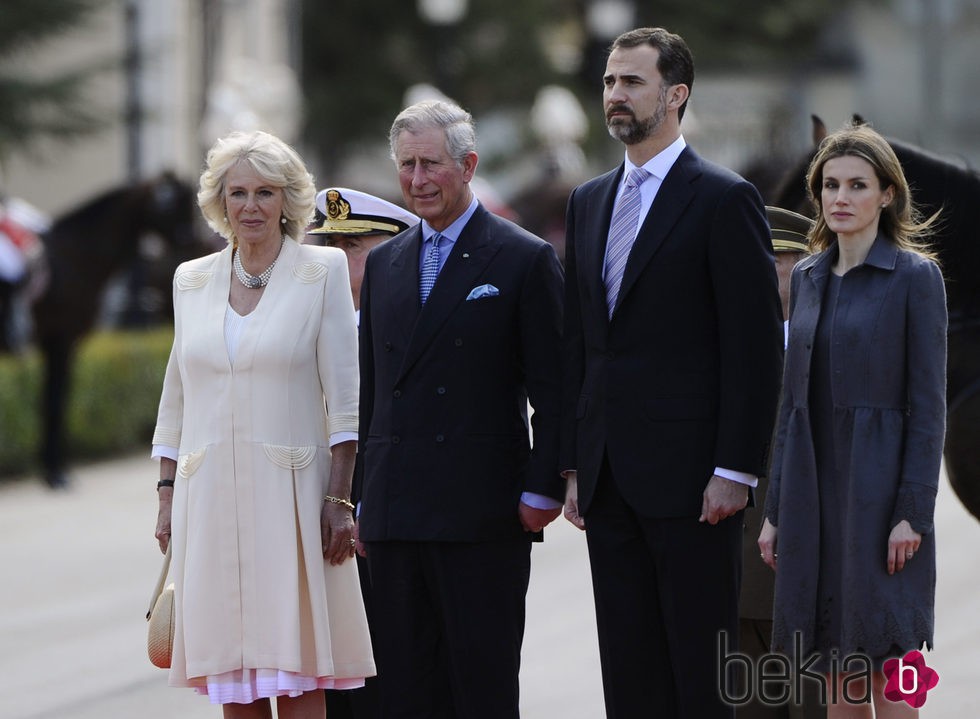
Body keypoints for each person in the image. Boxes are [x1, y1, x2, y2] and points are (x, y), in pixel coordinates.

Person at [560, 27, 784, 719]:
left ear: (676, 94)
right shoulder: (589, 200)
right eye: (608, 81)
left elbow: (753, 349)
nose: (615, 95)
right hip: (607, 479)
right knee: (629, 673)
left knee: (699, 674)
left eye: (632, 81)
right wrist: (573, 464)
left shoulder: (723, 198)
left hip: (695, 484)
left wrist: (736, 470)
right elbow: (581, 344)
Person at [152, 130, 375, 718]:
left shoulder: (321, 270)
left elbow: (347, 401)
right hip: (209, 500)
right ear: (220, 202)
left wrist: (341, 499)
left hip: (294, 500)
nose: (250, 206)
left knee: (298, 673)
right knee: (231, 681)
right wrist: (167, 491)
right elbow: (177, 395)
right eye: (238, 192)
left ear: (288, 200)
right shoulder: (190, 279)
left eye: (265, 192)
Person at [356, 99, 564, 719]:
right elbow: (374, 391)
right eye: (406, 166)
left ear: (468, 165)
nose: (417, 181)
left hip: (481, 513)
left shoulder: (523, 257)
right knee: (402, 689)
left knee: (480, 684)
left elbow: (554, 390)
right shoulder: (386, 263)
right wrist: (363, 497)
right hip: (394, 515)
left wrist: (542, 492)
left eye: (431, 165)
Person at [759, 123, 946, 718]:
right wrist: (775, 514)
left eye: (857, 185)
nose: (840, 197)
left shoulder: (917, 278)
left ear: (887, 194)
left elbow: (929, 408)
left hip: (883, 499)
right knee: (840, 681)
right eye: (830, 185)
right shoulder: (808, 278)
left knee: (894, 678)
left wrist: (912, 512)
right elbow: (793, 406)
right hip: (815, 500)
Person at [306, 187, 419, 719]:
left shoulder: (411, 327)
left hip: (389, 518)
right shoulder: (302, 326)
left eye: (354, 245)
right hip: (311, 514)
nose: (335, 258)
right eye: (326, 245)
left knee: (389, 665)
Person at [738, 206, 822, 719]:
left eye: (776, 261)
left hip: (810, 577)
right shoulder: (722, 349)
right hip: (735, 574)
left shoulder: (835, 345)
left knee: (813, 705)